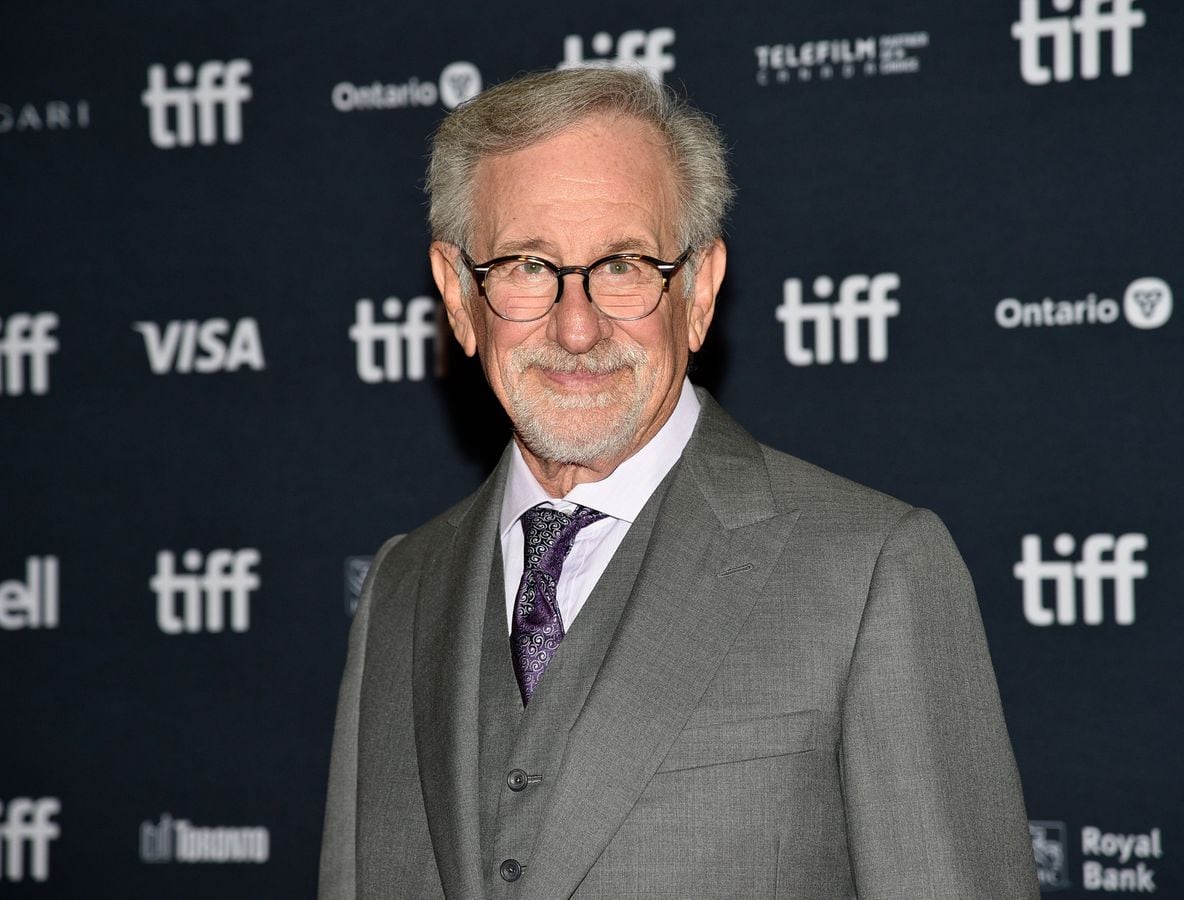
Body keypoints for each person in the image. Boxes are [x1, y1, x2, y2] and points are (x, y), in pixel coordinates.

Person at [319, 67, 1039, 899]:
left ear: (697, 290)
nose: (576, 325)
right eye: (527, 265)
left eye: (623, 264)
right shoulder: (401, 590)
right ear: (459, 296)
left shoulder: (870, 571)